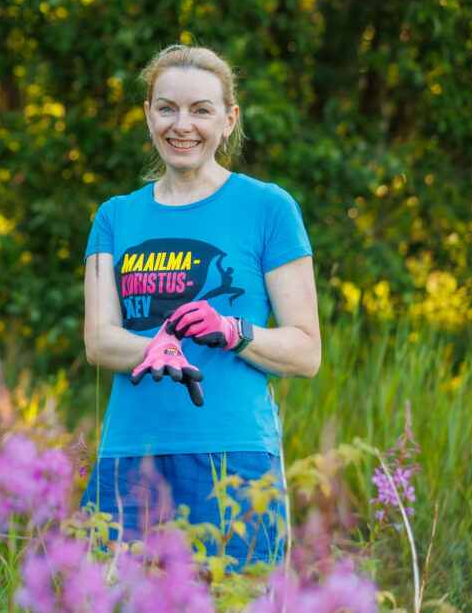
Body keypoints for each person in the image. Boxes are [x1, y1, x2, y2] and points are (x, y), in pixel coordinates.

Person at [79, 45, 320, 568]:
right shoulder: (115, 216)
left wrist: (235, 330)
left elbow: (305, 352)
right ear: (148, 115)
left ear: (228, 120)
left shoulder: (268, 208)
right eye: (166, 108)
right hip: (129, 455)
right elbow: (99, 340)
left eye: (201, 110)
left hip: (235, 458)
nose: (181, 125)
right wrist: (157, 346)